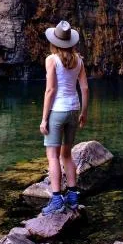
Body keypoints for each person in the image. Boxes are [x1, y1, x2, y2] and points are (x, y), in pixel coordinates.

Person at [40, 20, 89, 215]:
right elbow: (84, 88)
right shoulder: (79, 60)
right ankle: (73, 196)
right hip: (73, 110)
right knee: (66, 155)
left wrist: (44, 119)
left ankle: (56, 199)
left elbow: (50, 90)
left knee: (52, 155)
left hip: (57, 111)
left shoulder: (51, 59)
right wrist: (84, 112)